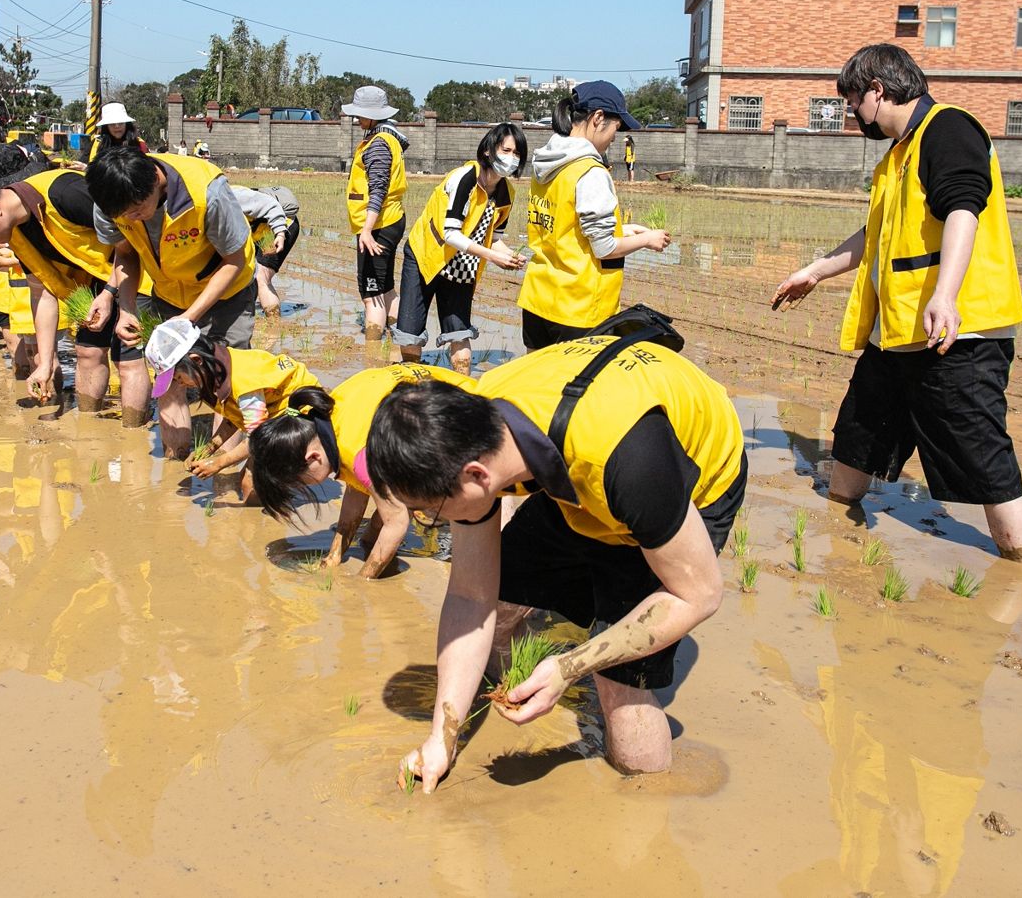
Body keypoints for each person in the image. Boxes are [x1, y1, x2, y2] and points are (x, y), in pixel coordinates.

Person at [365, 334, 747, 791]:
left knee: (619, 685)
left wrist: (571, 667)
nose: (431, 520)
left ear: (476, 476)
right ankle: (524, 686)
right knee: (500, 610)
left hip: (684, 476)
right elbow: (470, 595)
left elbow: (700, 595)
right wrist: (440, 739)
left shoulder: (629, 460)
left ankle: (647, 808)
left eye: (431, 511)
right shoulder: (471, 433)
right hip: (579, 470)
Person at [770, 43, 1022, 565]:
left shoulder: (949, 128)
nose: (853, 114)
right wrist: (814, 272)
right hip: (897, 333)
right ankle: (838, 528)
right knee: (858, 434)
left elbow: (963, 207)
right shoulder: (899, 155)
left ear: (877, 90)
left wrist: (945, 295)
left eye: (854, 102)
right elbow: (876, 235)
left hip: (957, 334)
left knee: (982, 458)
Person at [0, 142, 154, 421]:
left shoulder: (65, 193)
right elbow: (41, 293)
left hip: (135, 272)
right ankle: (91, 430)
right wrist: (45, 363)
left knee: (127, 358)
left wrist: (110, 293)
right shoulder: (17, 232)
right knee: (87, 352)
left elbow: (131, 239)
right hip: (94, 283)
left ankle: (132, 433)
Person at [85, 147, 258, 458]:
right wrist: (126, 308)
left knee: (225, 377)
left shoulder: (206, 191)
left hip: (227, 291)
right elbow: (126, 255)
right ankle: (175, 459)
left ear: (155, 180)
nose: (130, 218)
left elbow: (234, 260)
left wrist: (188, 318)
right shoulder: (110, 203)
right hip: (169, 293)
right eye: (123, 215)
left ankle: (223, 471)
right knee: (168, 375)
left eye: (137, 210)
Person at [248, 363, 476, 578]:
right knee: (377, 525)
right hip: (446, 399)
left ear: (312, 458)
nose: (303, 488)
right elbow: (356, 489)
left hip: (471, 418)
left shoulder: (359, 455)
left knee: (443, 508)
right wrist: (334, 556)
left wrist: (363, 580)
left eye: (300, 483)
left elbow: (397, 523)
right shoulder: (327, 419)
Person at [518, 81, 670, 350]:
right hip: (578, 308)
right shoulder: (590, 171)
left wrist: (624, 229)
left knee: (537, 375)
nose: (614, 137)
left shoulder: (547, 164)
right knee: (581, 378)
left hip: (538, 300)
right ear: (598, 118)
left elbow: (565, 225)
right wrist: (647, 240)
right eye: (615, 128)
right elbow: (605, 248)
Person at [393, 123, 527, 374]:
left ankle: (463, 382)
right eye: (506, 150)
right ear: (488, 150)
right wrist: (493, 257)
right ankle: (412, 377)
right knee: (410, 332)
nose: (511, 158)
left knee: (459, 331)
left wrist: (510, 255)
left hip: (462, 264)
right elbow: (450, 234)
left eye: (517, 153)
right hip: (426, 255)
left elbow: (494, 238)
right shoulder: (465, 178)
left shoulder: (507, 193)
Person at [143, 319, 320, 486]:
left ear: (196, 360)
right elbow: (234, 418)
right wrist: (209, 448)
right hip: (277, 418)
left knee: (252, 483)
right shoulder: (218, 369)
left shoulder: (243, 382)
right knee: (251, 482)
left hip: (304, 416)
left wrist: (219, 463)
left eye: (179, 378)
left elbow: (258, 437)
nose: (180, 384)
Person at [342, 85, 410, 341]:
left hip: (378, 225)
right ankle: (398, 339)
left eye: (360, 114)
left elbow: (378, 189)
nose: (356, 119)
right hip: (390, 220)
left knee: (372, 295)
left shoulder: (378, 144)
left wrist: (367, 230)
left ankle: (372, 353)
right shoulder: (386, 137)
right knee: (386, 288)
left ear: (372, 115)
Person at [251, 185, 301, 316]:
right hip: (259, 227)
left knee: (261, 276)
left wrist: (280, 234)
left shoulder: (226, 206)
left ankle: (273, 321)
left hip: (281, 224)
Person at [81, 102, 147, 166]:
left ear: (127, 124)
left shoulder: (139, 144)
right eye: (112, 123)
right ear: (106, 126)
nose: (117, 126)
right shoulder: (96, 144)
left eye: (121, 122)